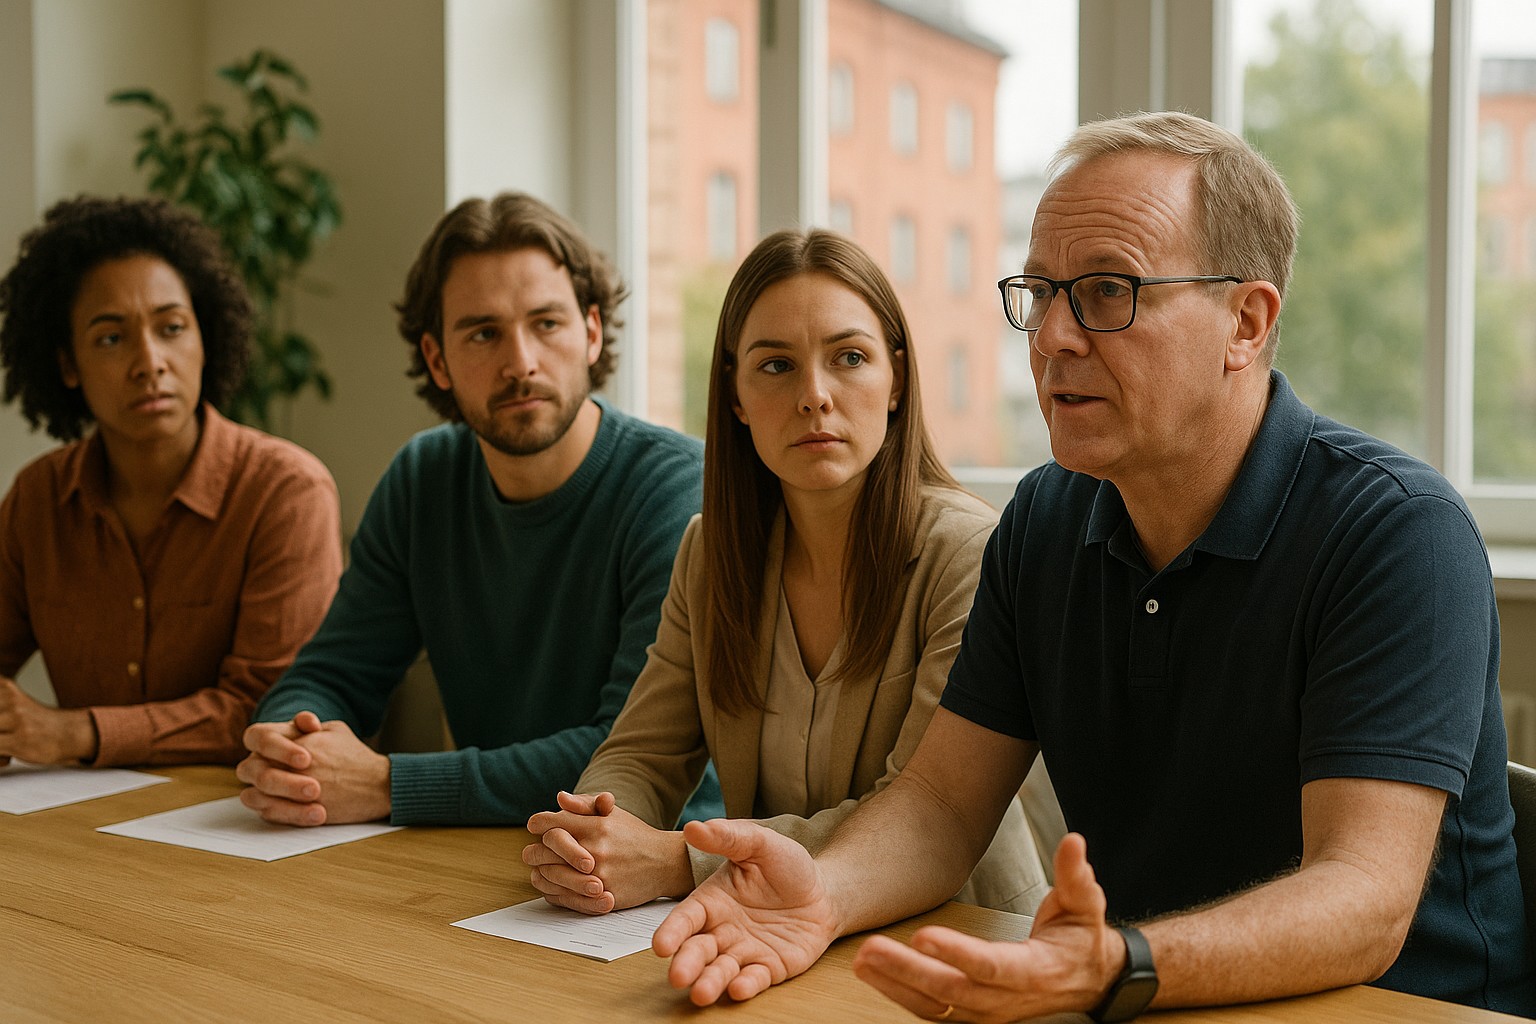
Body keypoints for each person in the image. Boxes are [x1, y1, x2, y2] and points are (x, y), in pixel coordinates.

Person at [649, 112, 1536, 1020]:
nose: (1053, 339)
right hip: (1156, 996)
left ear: (1246, 320)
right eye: (1041, 292)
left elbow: (1363, 901)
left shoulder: (1397, 532)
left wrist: (1115, 966)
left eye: (1108, 291)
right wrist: (825, 894)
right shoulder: (1042, 517)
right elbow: (942, 805)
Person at [521, 229, 1046, 918]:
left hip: (960, 929)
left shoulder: (969, 552)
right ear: (735, 397)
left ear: (895, 380)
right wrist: (592, 832)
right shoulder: (711, 552)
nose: (815, 396)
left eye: (849, 358)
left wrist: (679, 859)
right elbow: (642, 756)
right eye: (775, 366)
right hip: (769, 928)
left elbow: (917, 809)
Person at [236, 192, 717, 827]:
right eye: (484, 333)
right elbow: (332, 672)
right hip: (478, 849)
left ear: (592, 332)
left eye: (546, 323)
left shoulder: (678, 490)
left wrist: (387, 784)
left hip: (666, 868)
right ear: (437, 359)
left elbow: (628, 755)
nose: (520, 362)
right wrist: (290, 744)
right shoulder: (422, 478)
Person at [0, 196, 341, 768]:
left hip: (246, 824)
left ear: (204, 340)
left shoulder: (286, 491)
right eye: (111, 338)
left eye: (172, 328)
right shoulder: (38, 498)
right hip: (77, 822)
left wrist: (76, 733)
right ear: (67, 365)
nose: (150, 360)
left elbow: (266, 709)